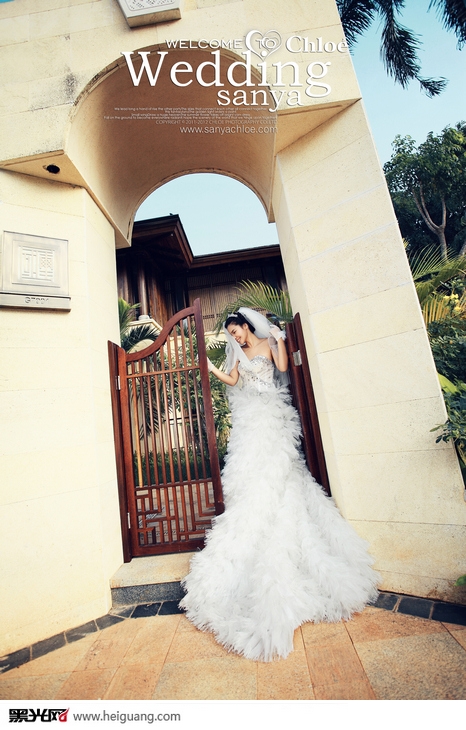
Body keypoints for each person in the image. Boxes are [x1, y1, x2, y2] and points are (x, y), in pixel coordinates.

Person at [180, 307, 379, 662]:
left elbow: (283, 368)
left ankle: (275, 504)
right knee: (251, 470)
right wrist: (212, 369)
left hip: (272, 413)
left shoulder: (267, 344)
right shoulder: (237, 354)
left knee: (280, 469)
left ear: (246, 326)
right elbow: (234, 381)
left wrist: (280, 341)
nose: (235, 338)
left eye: (237, 332)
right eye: (231, 335)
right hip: (249, 419)